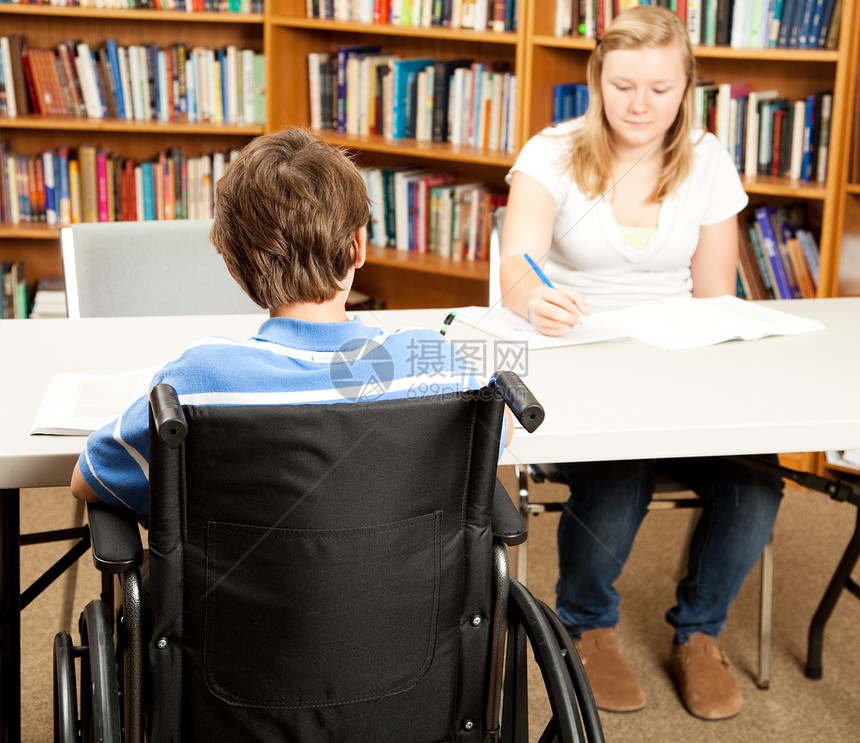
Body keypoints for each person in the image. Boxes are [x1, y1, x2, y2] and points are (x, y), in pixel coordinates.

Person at [499, 6, 783, 721]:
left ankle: (700, 633)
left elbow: (717, 293)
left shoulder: (709, 159)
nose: (639, 105)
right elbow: (516, 265)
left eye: (660, 89)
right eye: (623, 85)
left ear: (687, 86)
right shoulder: (551, 152)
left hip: (678, 363)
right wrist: (536, 299)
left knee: (756, 483)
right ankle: (586, 623)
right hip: (581, 360)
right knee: (620, 476)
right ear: (597, 78)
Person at [71, 127, 507, 514]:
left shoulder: (197, 381)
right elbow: (496, 437)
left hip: (232, 607)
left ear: (233, 267)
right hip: (423, 606)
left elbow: (88, 480)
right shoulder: (439, 364)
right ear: (359, 246)